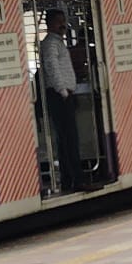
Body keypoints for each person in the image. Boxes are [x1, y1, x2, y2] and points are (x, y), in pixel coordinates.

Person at [38, 10, 82, 190]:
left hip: (63, 94)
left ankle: (69, 180)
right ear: (49, 24)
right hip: (60, 96)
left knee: (66, 140)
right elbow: (52, 67)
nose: (62, 25)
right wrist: (63, 91)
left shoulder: (57, 43)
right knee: (69, 140)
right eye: (58, 22)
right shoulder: (50, 44)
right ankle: (76, 180)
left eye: (63, 21)